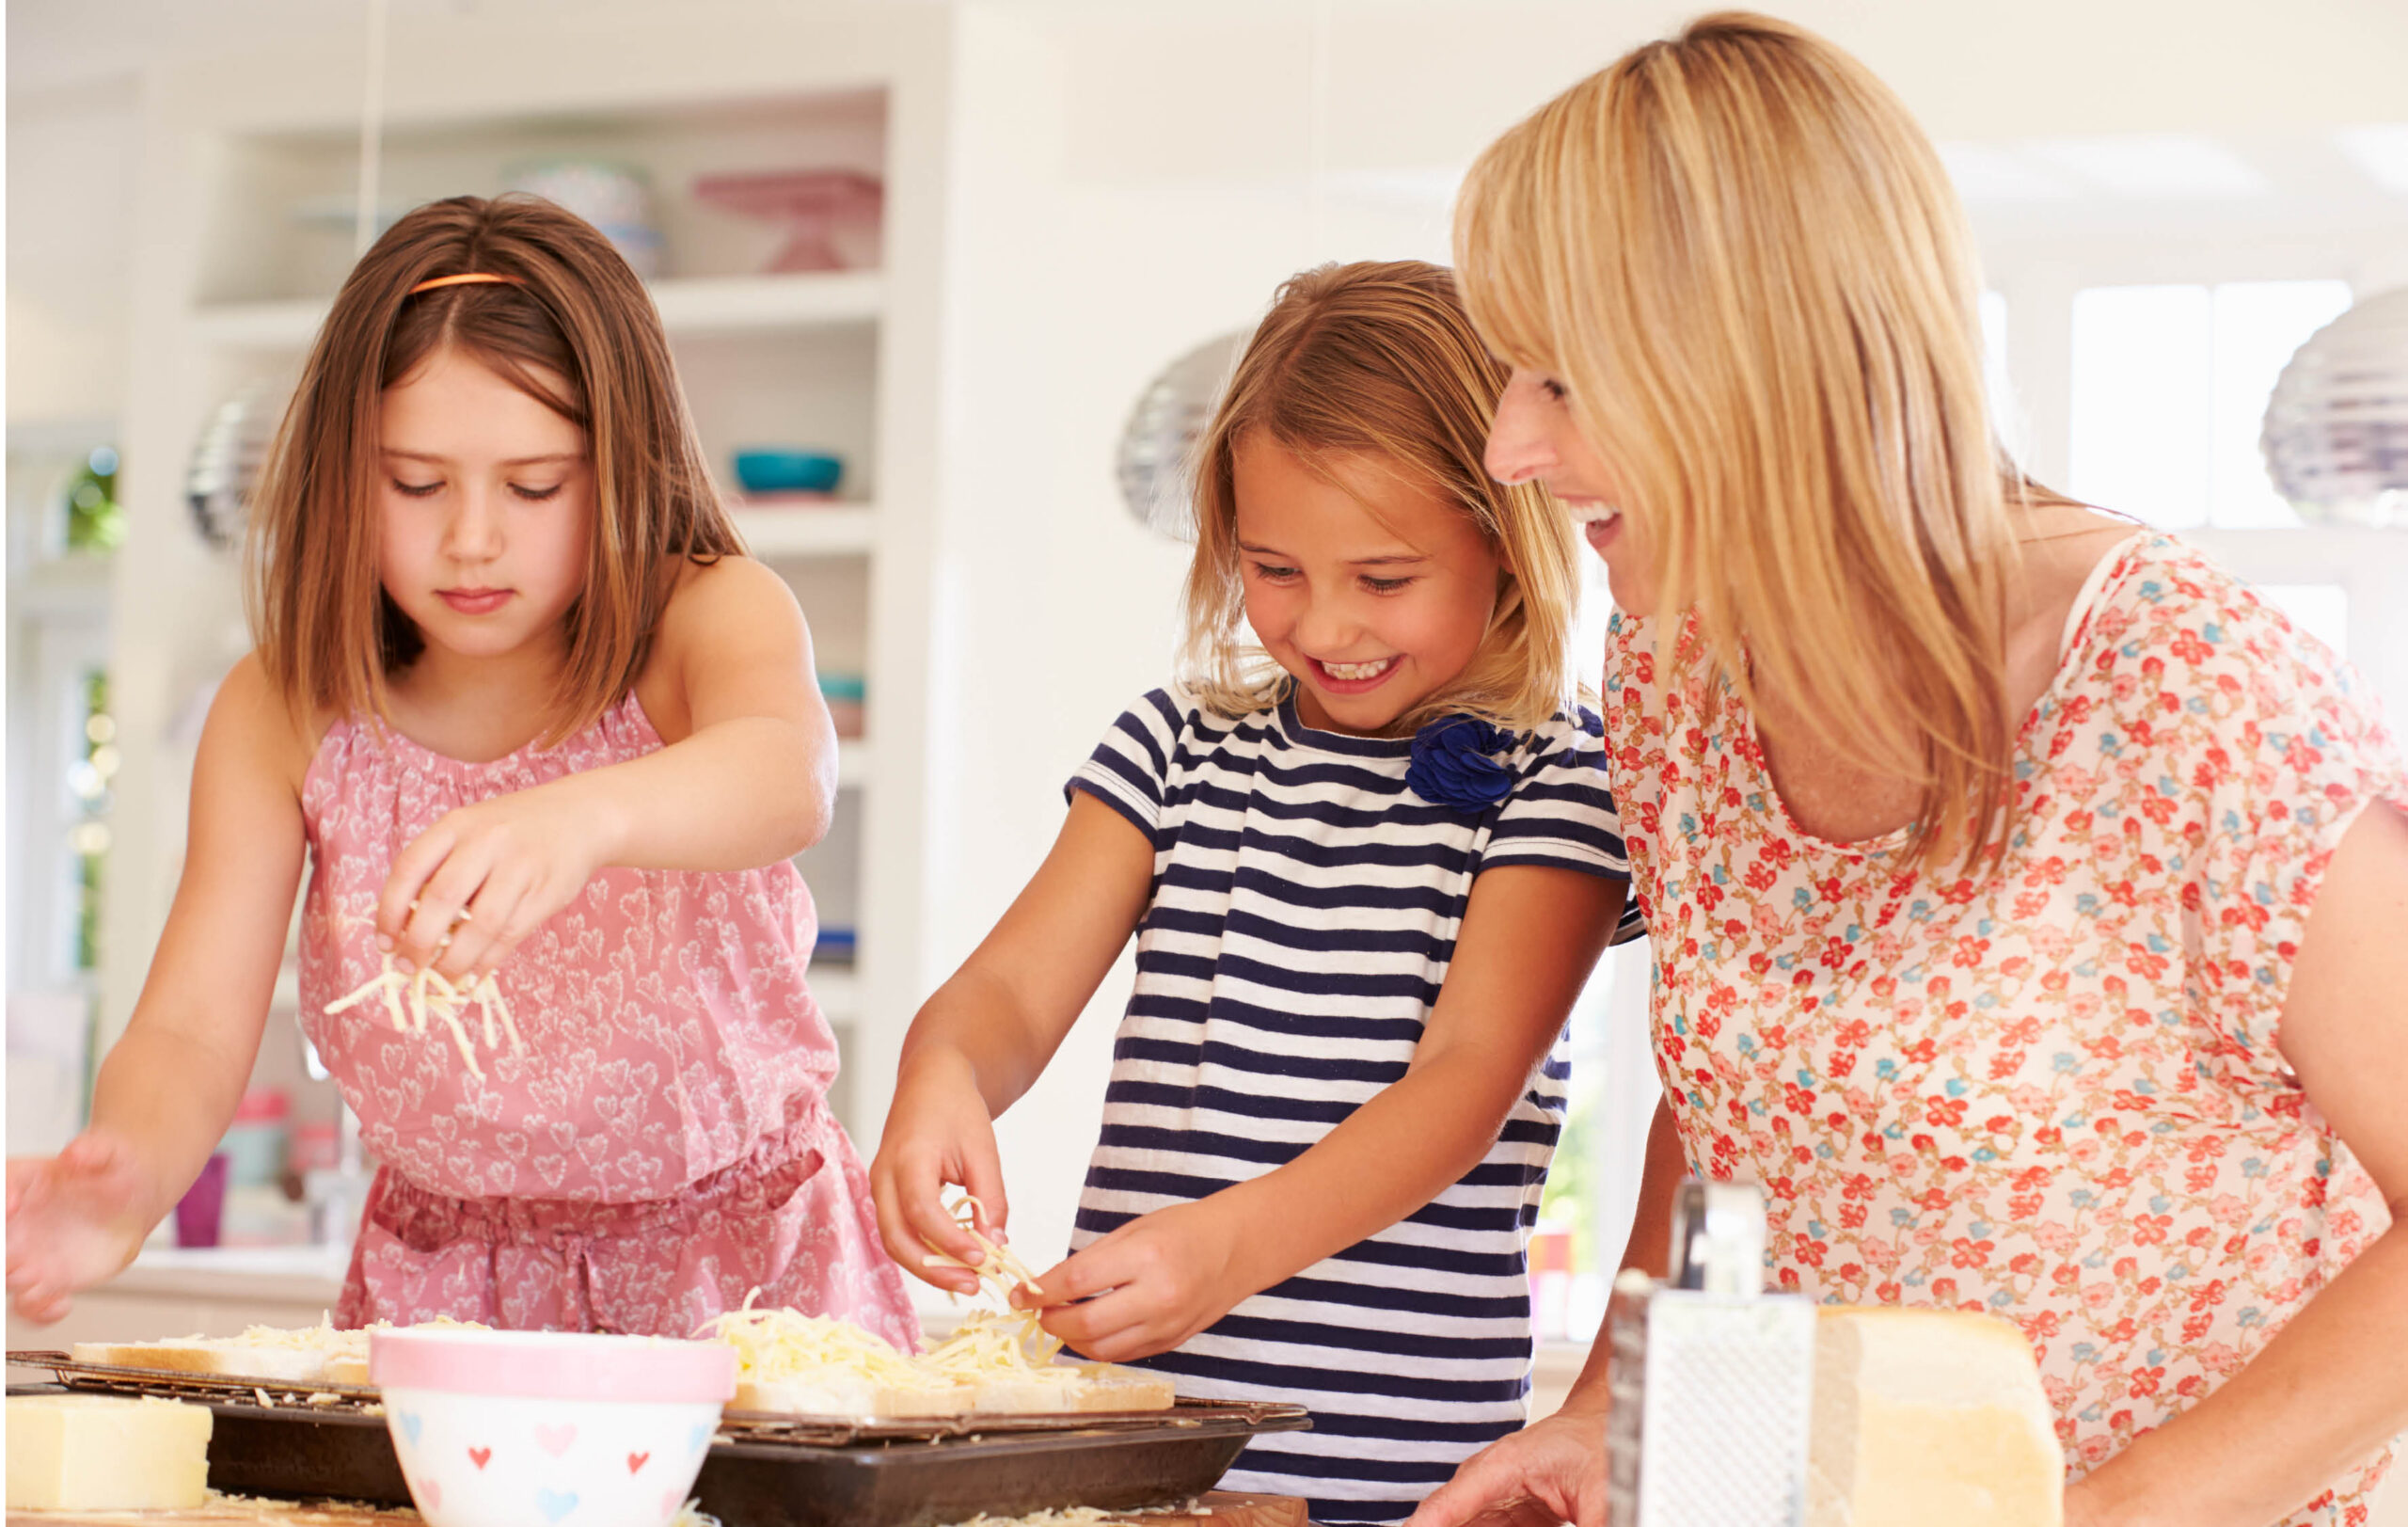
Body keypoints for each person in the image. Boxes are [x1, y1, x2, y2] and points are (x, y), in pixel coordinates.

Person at [1409, 14, 2408, 1527]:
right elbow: (1742, 1103)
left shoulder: (2183, 690)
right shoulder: (1678, 668)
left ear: (1747, 355)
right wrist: (1614, 1395)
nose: (1508, 448)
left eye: (1558, 380)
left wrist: (2104, 1514)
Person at [6, 195, 916, 1346]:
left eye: (534, 485)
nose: (471, 538)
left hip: (742, 1275)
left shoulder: (702, 616)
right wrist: (125, 1179)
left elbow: (788, 774)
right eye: (416, 484)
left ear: (620, 467)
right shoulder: (284, 706)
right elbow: (190, 1028)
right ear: (344, 476)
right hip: (450, 1294)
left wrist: (577, 821)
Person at [872, 261, 1635, 1523]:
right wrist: (941, 1067)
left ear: (1507, 543)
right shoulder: (1178, 747)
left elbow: (1466, 1079)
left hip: (1403, 1475)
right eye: (1275, 569)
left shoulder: (1557, 775)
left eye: (1384, 578)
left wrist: (1228, 1247)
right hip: (1140, 1463)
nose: (1326, 623)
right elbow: (1010, 988)